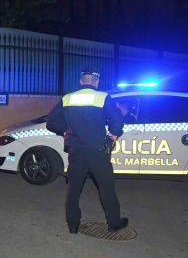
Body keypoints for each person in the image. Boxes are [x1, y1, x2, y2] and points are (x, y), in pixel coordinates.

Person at [46, 67, 128, 233]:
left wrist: (65, 130)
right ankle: (113, 224)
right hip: (97, 150)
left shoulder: (68, 98)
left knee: (74, 189)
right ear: (96, 83)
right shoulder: (103, 97)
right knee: (106, 187)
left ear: (81, 81)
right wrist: (112, 135)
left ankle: (73, 225)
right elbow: (117, 121)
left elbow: (51, 121)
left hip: (75, 150)